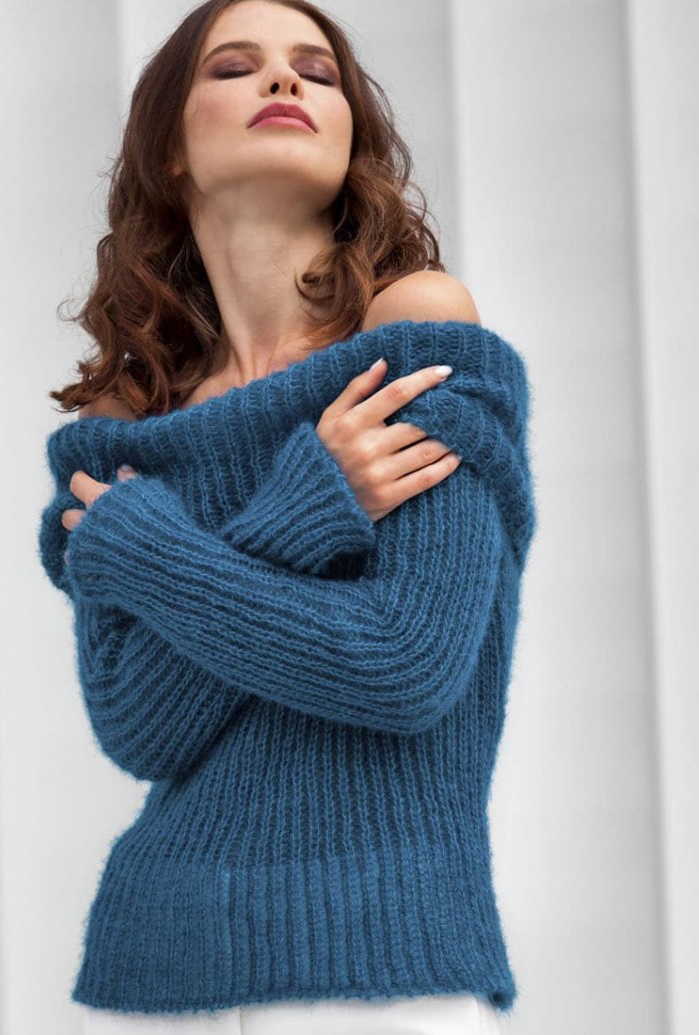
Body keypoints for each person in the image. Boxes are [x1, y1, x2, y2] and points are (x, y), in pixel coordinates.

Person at [40, 1, 536, 1032]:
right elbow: (140, 729)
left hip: (382, 963)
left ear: (350, 133)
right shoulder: (125, 426)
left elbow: (404, 663)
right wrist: (307, 506)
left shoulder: (415, 329)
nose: (284, 81)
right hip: (156, 968)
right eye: (235, 66)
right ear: (171, 151)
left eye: (317, 69)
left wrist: (151, 553)